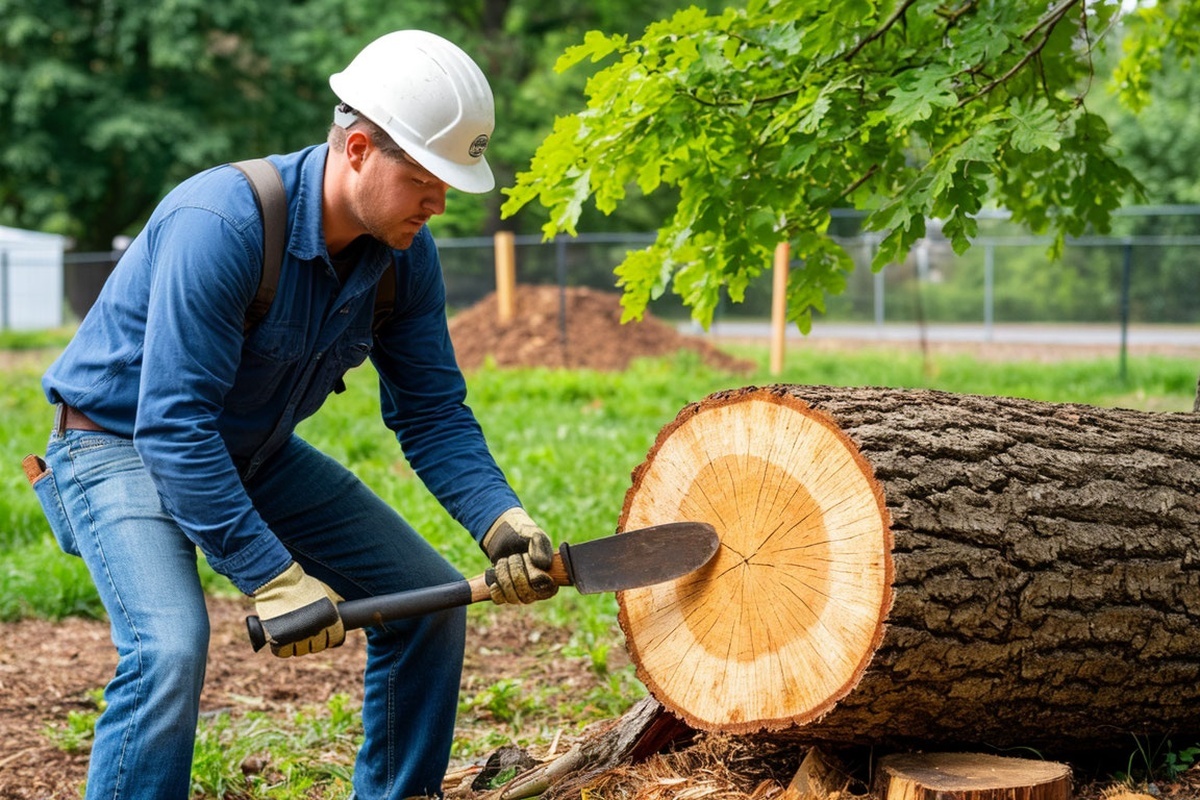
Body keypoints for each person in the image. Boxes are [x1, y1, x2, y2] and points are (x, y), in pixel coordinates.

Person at [30, 30, 557, 800]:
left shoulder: (404, 257)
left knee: (428, 603)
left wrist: (501, 519)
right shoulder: (223, 224)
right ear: (358, 149)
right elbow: (172, 428)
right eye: (423, 178)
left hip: (250, 450)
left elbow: (433, 413)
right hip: (115, 447)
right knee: (169, 649)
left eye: (448, 182)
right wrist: (272, 576)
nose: (439, 203)